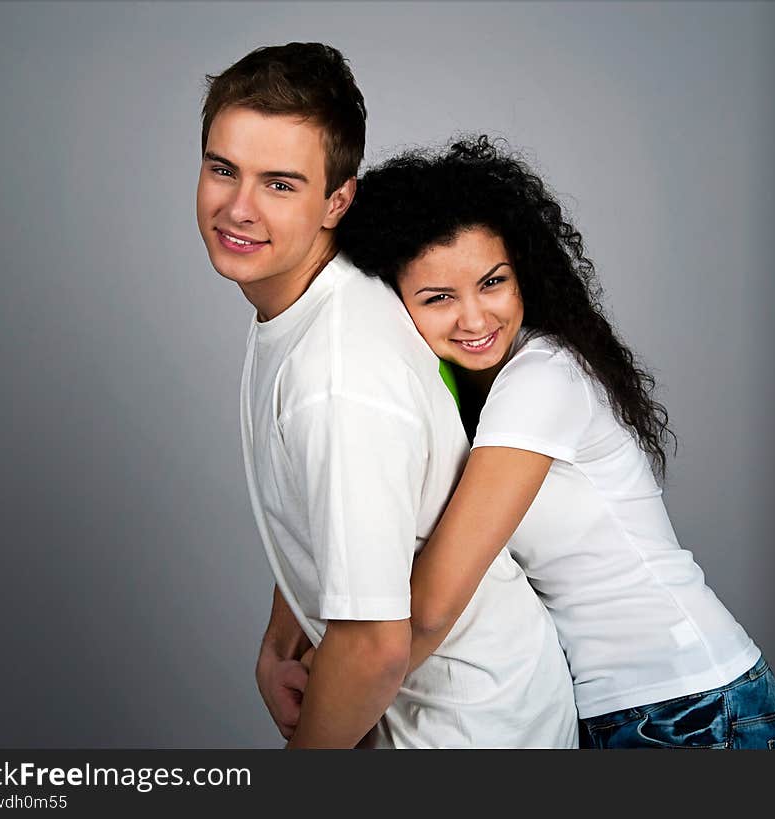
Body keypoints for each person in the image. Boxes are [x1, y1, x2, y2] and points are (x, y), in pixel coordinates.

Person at [334, 135, 775, 750]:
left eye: (492, 282)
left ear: (524, 271)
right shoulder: (459, 393)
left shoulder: (541, 378)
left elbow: (433, 604)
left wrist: (339, 704)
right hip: (628, 710)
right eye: (439, 297)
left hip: (689, 708)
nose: (475, 318)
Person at [196, 45, 577, 748]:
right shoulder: (309, 300)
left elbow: (374, 645)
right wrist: (280, 642)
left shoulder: (339, 371)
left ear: (337, 200)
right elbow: (342, 506)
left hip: (473, 730)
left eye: (280, 184)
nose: (238, 207)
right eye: (223, 169)